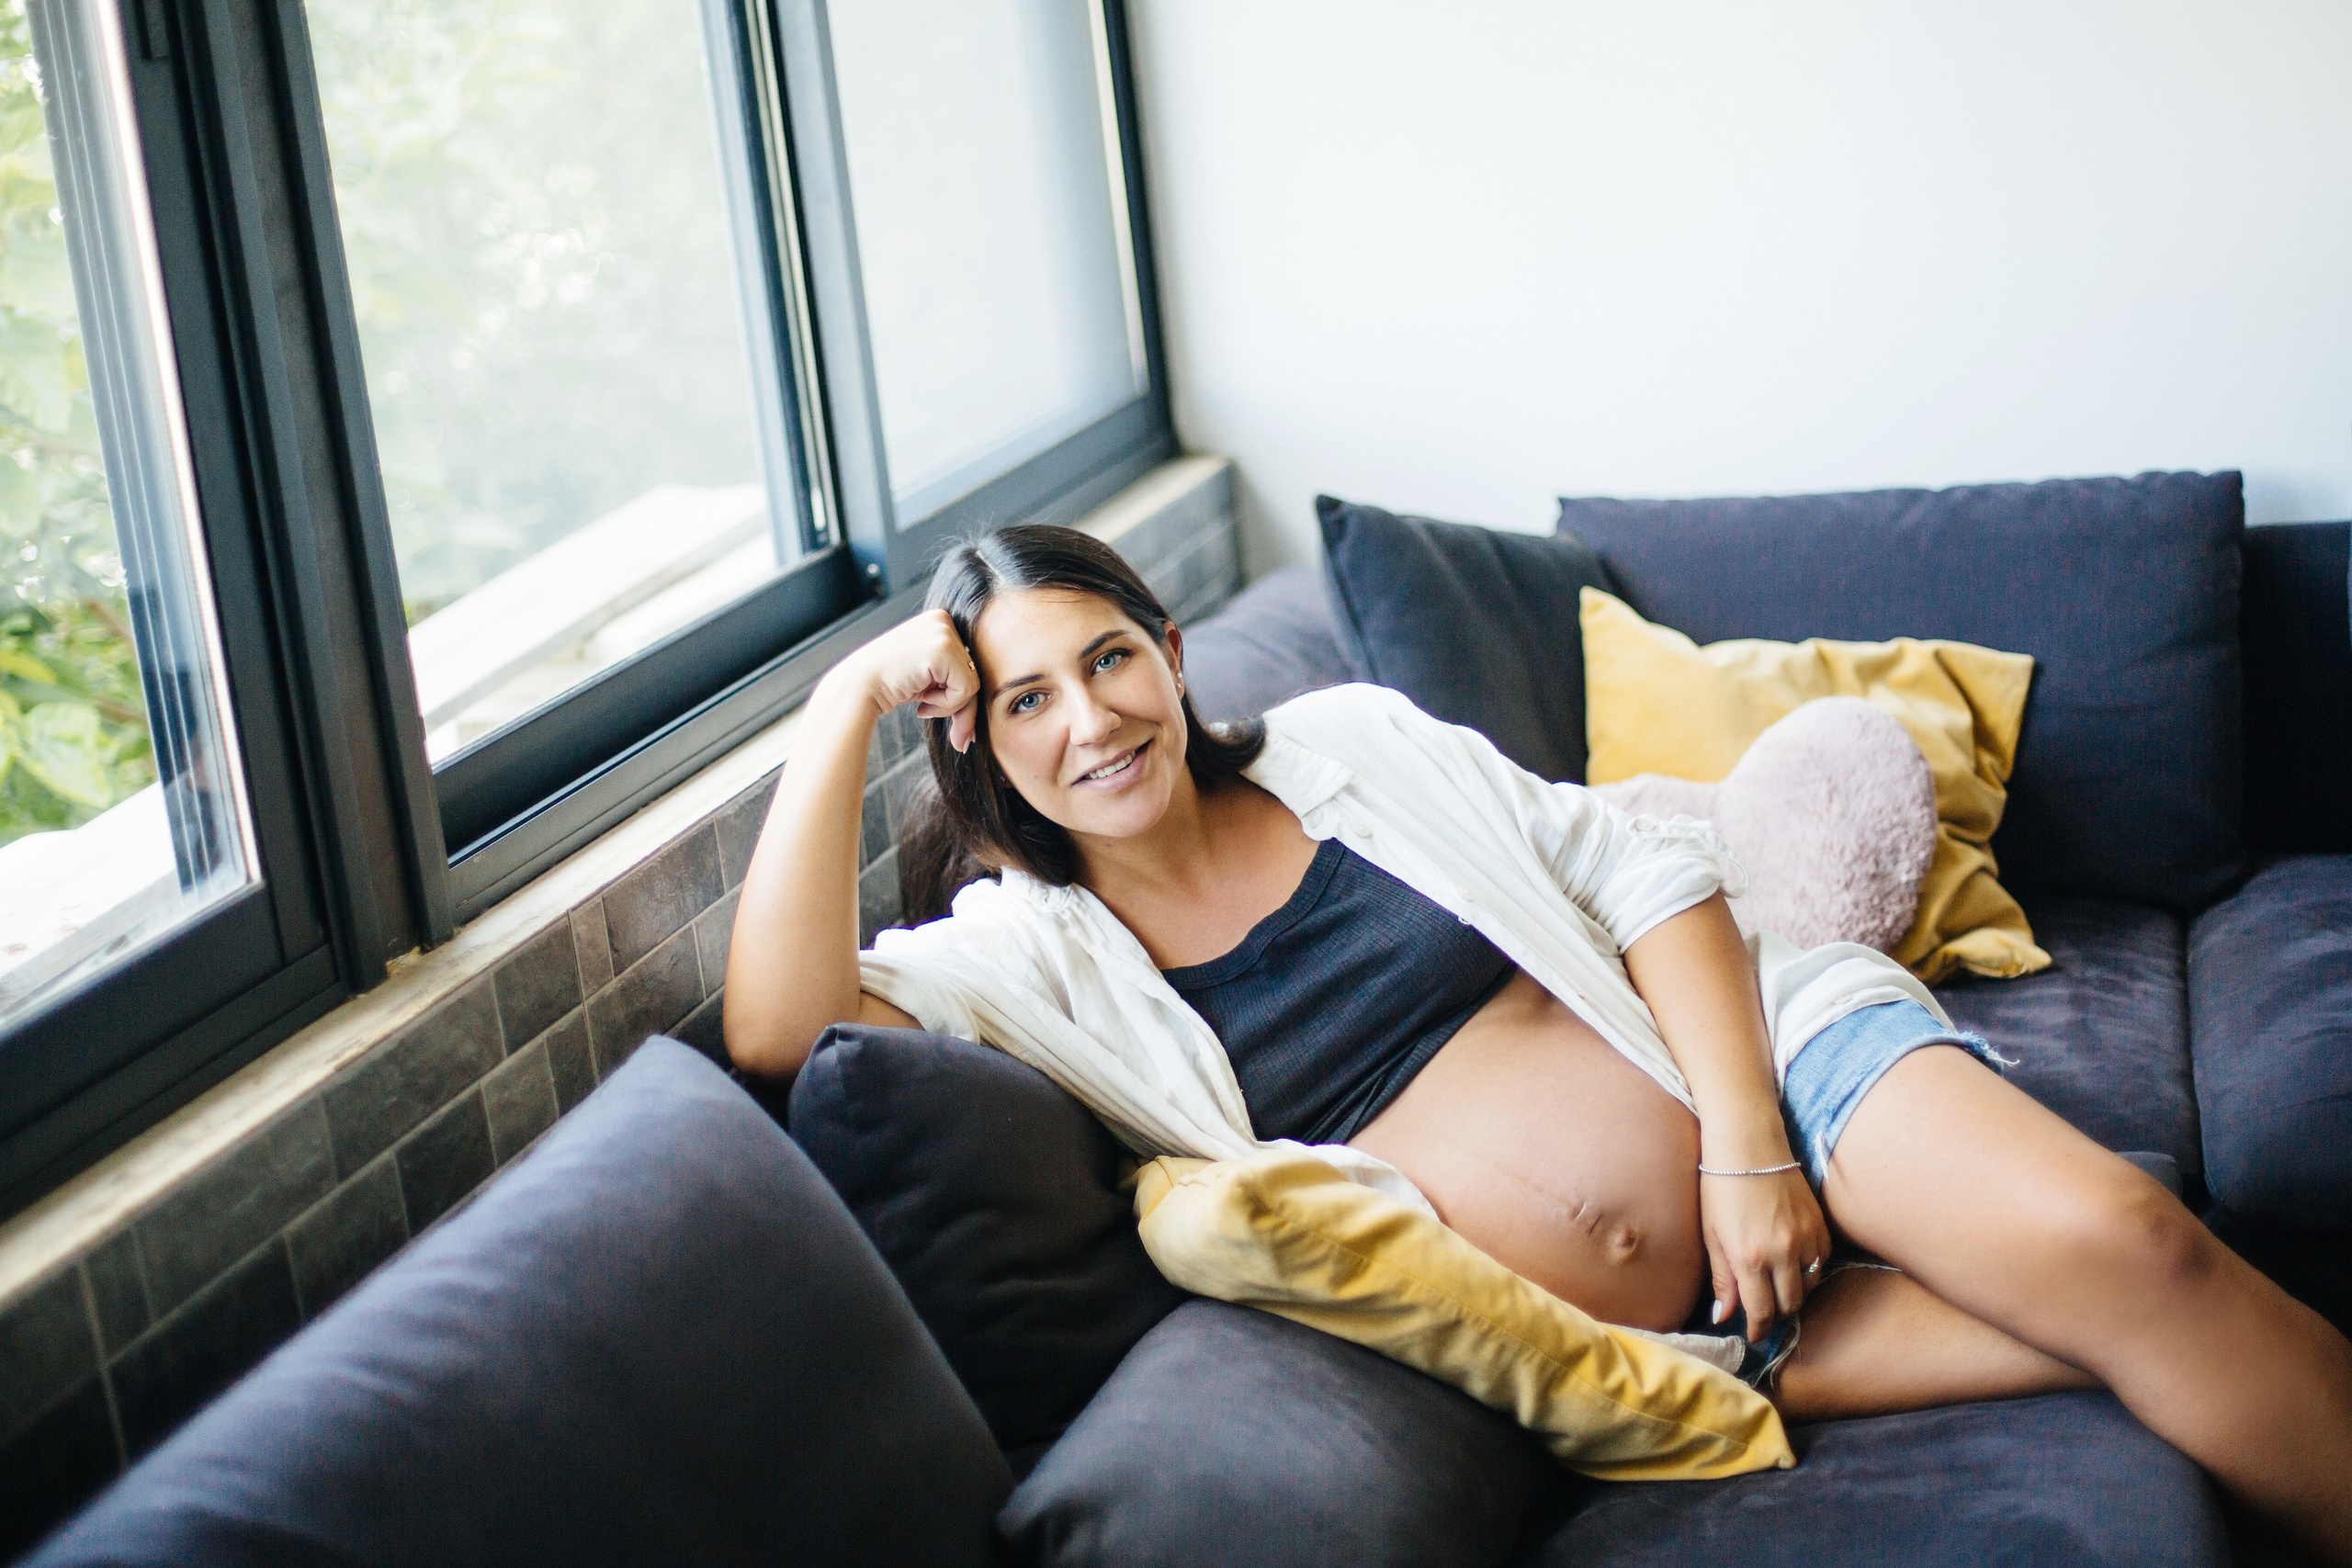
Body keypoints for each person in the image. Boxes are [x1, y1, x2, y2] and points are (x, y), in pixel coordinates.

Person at [726, 524, 2352, 1562]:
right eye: (1027, 702)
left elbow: (1645, 869)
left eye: (1108, 659)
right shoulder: (1035, 957)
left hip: (1782, 1082)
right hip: (1732, 1339)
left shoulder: (1346, 746)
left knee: (2143, 1256)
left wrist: (1744, 1145)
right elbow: (783, 1031)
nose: (1090, 722)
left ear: (1164, 650)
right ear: (983, 747)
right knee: (2124, 1338)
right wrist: (840, 705)